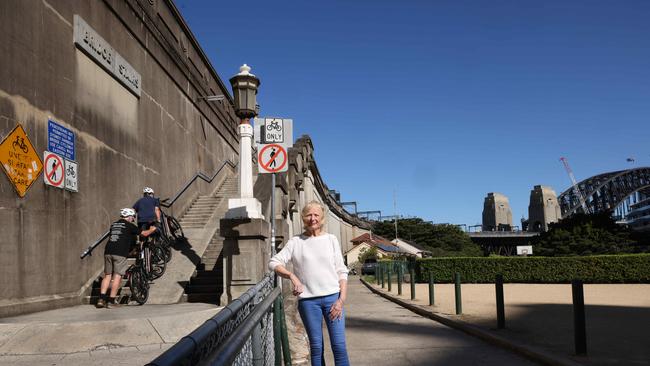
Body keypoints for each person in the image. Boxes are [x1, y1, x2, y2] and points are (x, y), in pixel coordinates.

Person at [269, 201, 350, 366]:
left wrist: (341, 300)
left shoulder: (331, 239)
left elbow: (342, 271)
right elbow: (273, 262)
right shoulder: (296, 242)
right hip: (308, 302)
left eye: (316, 215)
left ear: (322, 218)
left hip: (333, 300)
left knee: (339, 347)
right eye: (309, 215)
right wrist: (292, 276)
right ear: (303, 218)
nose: (312, 219)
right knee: (316, 347)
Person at [97, 208, 155, 308]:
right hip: (119, 253)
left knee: (107, 276)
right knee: (117, 276)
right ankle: (111, 301)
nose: (133, 219)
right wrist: (152, 229)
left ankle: (101, 299)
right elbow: (144, 233)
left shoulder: (114, 225)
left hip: (108, 252)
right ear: (129, 216)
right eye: (132, 217)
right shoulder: (129, 225)